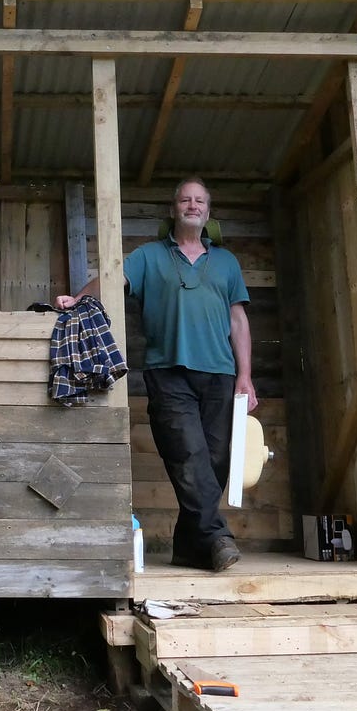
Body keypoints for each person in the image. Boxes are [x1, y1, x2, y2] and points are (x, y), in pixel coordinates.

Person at [55, 177, 256, 571]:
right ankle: (217, 537)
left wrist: (245, 378)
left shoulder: (227, 262)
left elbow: (239, 321)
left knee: (214, 462)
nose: (193, 205)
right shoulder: (148, 256)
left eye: (200, 201)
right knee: (188, 454)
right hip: (169, 373)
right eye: (185, 199)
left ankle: (188, 546)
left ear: (208, 212)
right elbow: (114, 279)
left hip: (221, 375)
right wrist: (79, 298)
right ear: (173, 209)